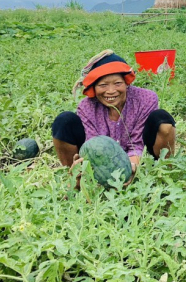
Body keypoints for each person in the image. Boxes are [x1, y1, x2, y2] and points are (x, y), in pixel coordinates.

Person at [52, 50, 176, 184]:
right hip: (101, 161)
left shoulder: (146, 99)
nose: (111, 91)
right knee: (64, 121)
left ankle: (164, 171)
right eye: (103, 85)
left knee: (163, 120)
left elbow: (137, 144)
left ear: (126, 83)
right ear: (94, 87)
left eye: (117, 83)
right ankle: (77, 177)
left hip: (139, 157)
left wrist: (130, 168)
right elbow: (94, 146)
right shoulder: (86, 106)